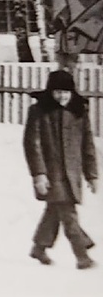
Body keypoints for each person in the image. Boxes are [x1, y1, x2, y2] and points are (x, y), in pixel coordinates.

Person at [24, 69, 98, 269]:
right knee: (68, 213)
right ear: (50, 92)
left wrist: (91, 175)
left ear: (72, 93)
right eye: (57, 92)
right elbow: (32, 144)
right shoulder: (39, 111)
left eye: (66, 92)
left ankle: (39, 247)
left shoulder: (78, 112)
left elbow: (88, 145)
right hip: (51, 174)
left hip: (72, 174)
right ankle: (82, 255)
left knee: (54, 211)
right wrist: (39, 174)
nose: (62, 96)